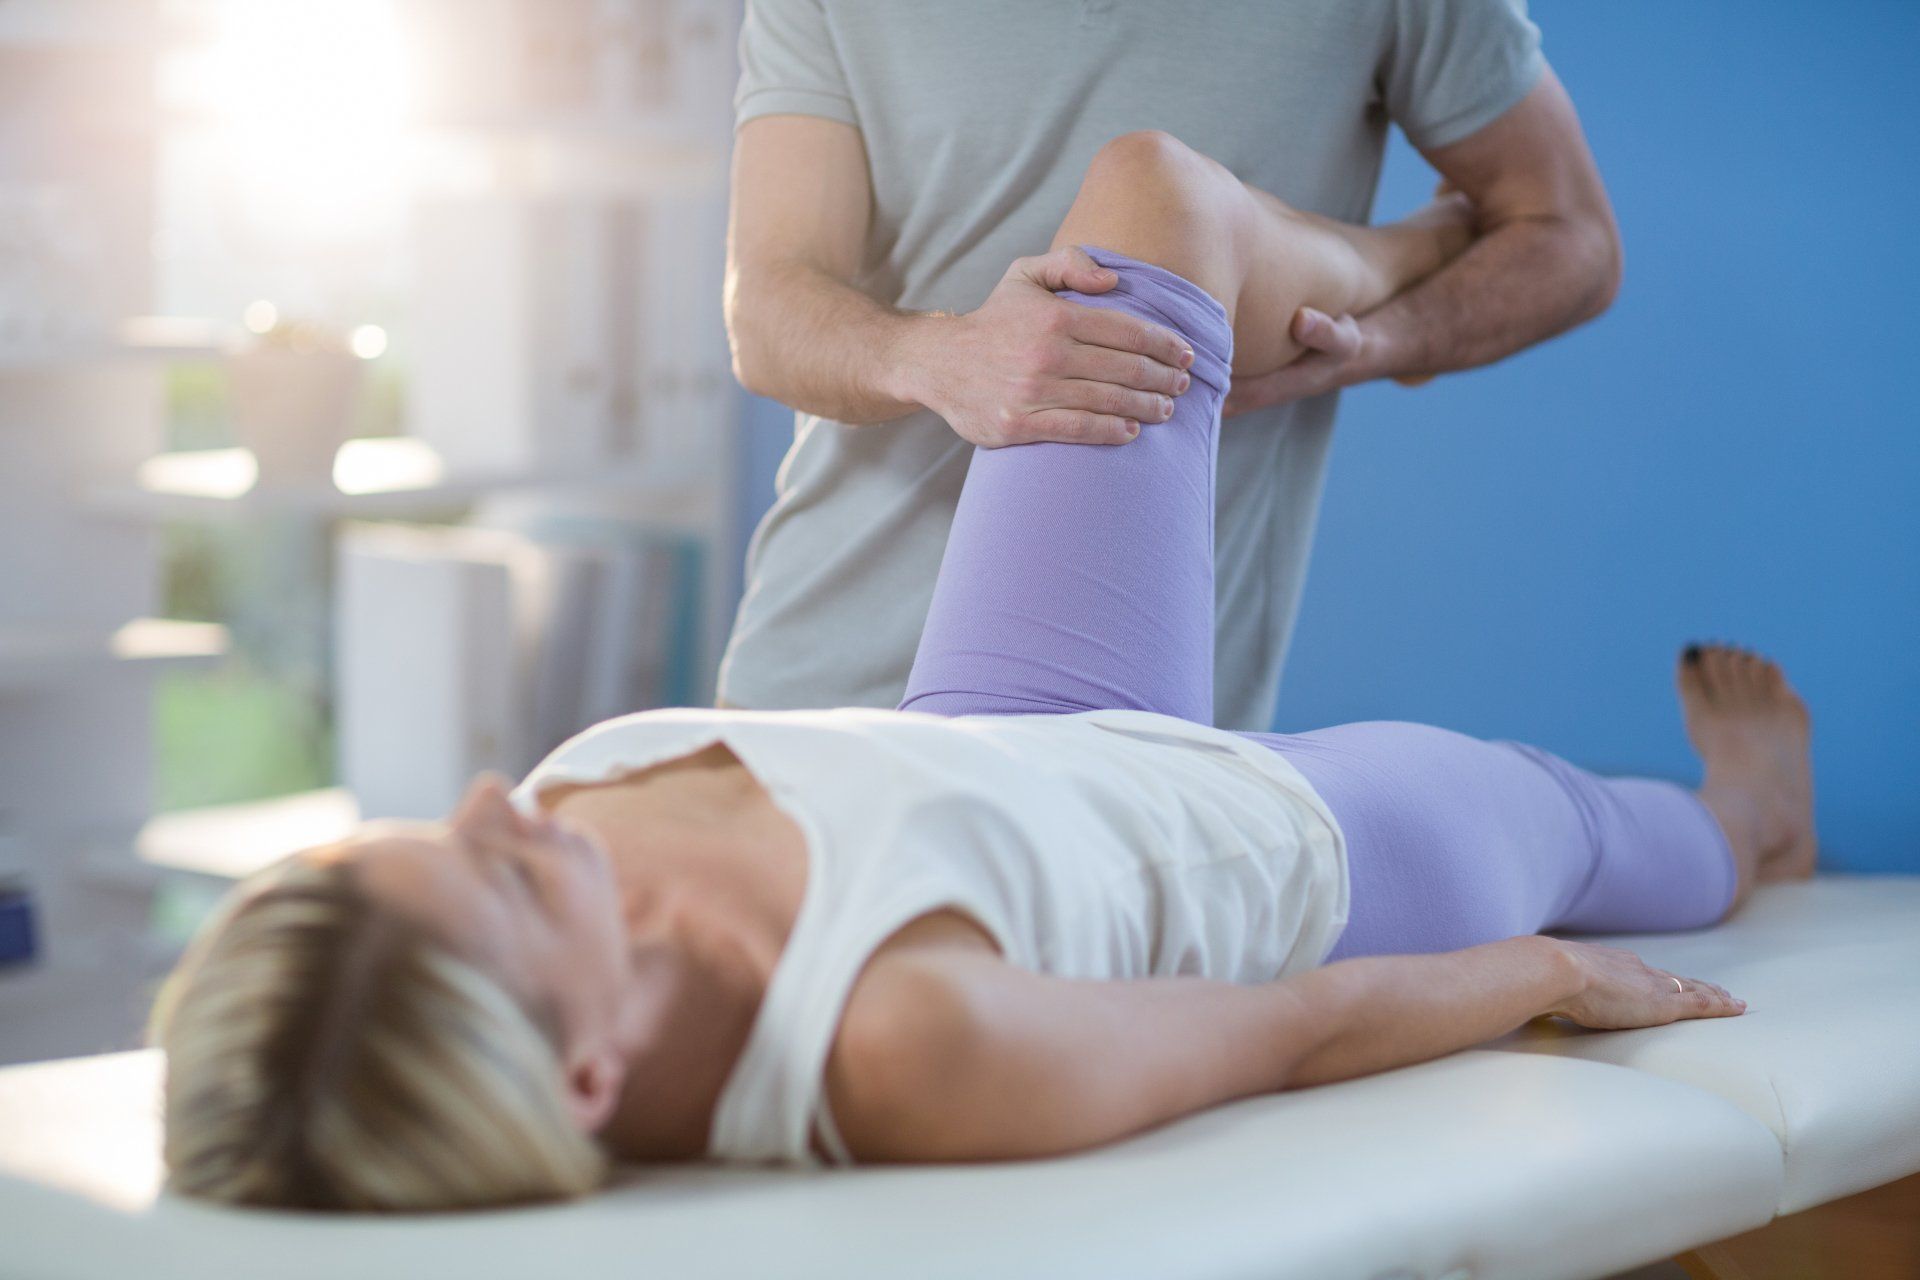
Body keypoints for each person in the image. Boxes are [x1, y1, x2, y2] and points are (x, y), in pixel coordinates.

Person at [150, 135, 1810, 1212]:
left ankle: (1382, 280)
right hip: (1284, 843)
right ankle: (1747, 830)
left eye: (435, 838)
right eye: (491, 880)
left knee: (1145, 204)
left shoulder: (580, 828)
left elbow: (908, 794)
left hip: (1014, 712)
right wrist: (1534, 974)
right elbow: (1291, 1026)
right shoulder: (906, 1048)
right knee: (1574, 824)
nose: (496, 801)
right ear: (584, 1076)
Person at [719, 0, 1622, 730]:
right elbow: (767, 306)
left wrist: (1383, 339)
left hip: (1117, 718)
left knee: (1163, 199)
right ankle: (1386, 256)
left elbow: (1571, 236)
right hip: (802, 688)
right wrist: (938, 356)